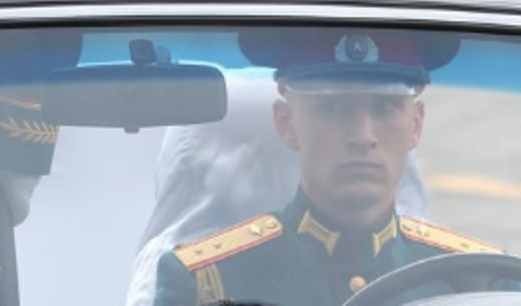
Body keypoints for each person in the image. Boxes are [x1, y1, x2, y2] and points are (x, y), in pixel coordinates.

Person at [153, 30, 497, 306]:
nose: (363, 136)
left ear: (416, 125)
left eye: (386, 107)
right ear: (286, 123)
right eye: (334, 107)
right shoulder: (207, 282)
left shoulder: (483, 280)